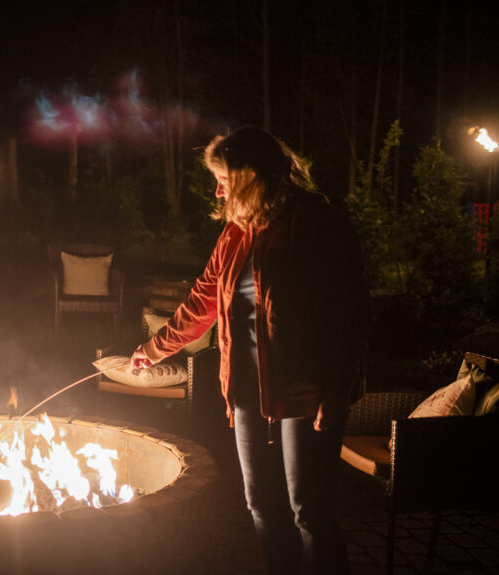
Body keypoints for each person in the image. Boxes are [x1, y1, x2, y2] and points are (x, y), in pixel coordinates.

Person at [131, 126, 371, 575]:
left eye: (222, 177)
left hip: (305, 392)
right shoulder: (234, 236)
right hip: (246, 394)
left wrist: (337, 390)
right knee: (261, 504)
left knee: (309, 512)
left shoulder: (317, 225)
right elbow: (203, 301)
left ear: (250, 175)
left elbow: (350, 315)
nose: (217, 189)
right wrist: (154, 348)